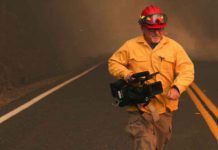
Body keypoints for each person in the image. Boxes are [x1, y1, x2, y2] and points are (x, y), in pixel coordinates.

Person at [108, 5, 195, 150]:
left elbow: (187, 69)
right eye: (151, 29)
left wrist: (177, 87)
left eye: (160, 29)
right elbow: (113, 62)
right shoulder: (130, 46)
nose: (156, 32)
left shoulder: (174, 47)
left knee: (160, 143)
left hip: (164, 107)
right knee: (144, 143)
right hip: (139, 107)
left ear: (164, 29)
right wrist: (126, 74)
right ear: (142, 28)